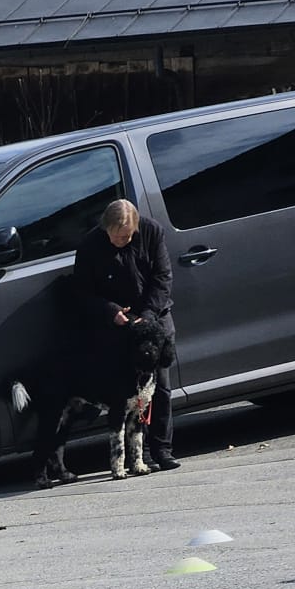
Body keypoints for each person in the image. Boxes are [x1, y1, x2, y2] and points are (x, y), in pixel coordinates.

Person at [72, 198, 181, 470]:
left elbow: (162, 277)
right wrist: (110, 311)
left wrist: (149, 314)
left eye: (128, 236)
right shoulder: (89, 245)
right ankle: (136, 456)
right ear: (105, 229)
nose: (123, 240)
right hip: (118, 323)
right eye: (117, 237)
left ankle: (162, 449)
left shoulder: (151, 232)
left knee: (160, 387)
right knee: (123, 391)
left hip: (153, 316)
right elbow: (82, 292)